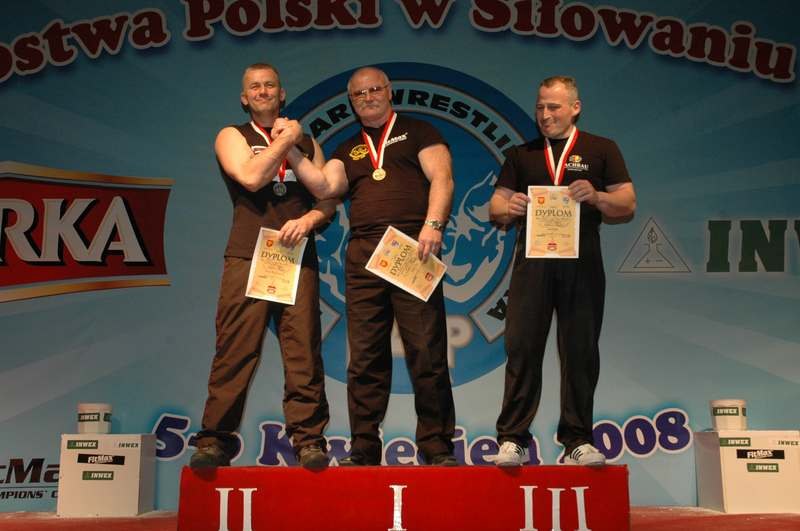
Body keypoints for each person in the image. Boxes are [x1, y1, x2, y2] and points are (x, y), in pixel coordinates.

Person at [288, 66, 457, 466]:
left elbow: (443, 178)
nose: (367, 97)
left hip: (413, 247)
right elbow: (325, 187)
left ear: (389, 91)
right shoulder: (348, 148)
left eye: (374, 89)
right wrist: (291, 148)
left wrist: (434, 224)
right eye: (359, 94)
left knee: (426, 352)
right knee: (365, 358)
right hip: (364, 255)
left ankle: (436, 447)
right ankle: (363, 449)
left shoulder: (419, 131)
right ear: (351, 101)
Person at [190, 63, 334, 470]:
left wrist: (311, 218)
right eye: (254, 86)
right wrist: (285, 140)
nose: (263, 91)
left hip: (296, 255)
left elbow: (327, 197)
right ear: (244, 97)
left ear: (281, 93)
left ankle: (308, 441)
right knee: (236, 350)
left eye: (270, 85)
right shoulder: (232, 136)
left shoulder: (308, 142)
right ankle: (215, 441)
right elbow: (251, 177)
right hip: (248, 254)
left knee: (303, 350)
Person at [489, 76, 636, 467]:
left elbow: (627, 203)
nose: (545, 114)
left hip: (582, 263)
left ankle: (577, 441)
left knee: (580, 351)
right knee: (522, 348)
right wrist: (510, 208)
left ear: (575, 107)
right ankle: (513, 439)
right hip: (533, 264)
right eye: (540, 107)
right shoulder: (521, 155)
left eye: (553, 107)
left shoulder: (601, 149)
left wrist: (598, 196)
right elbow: (495, 207)